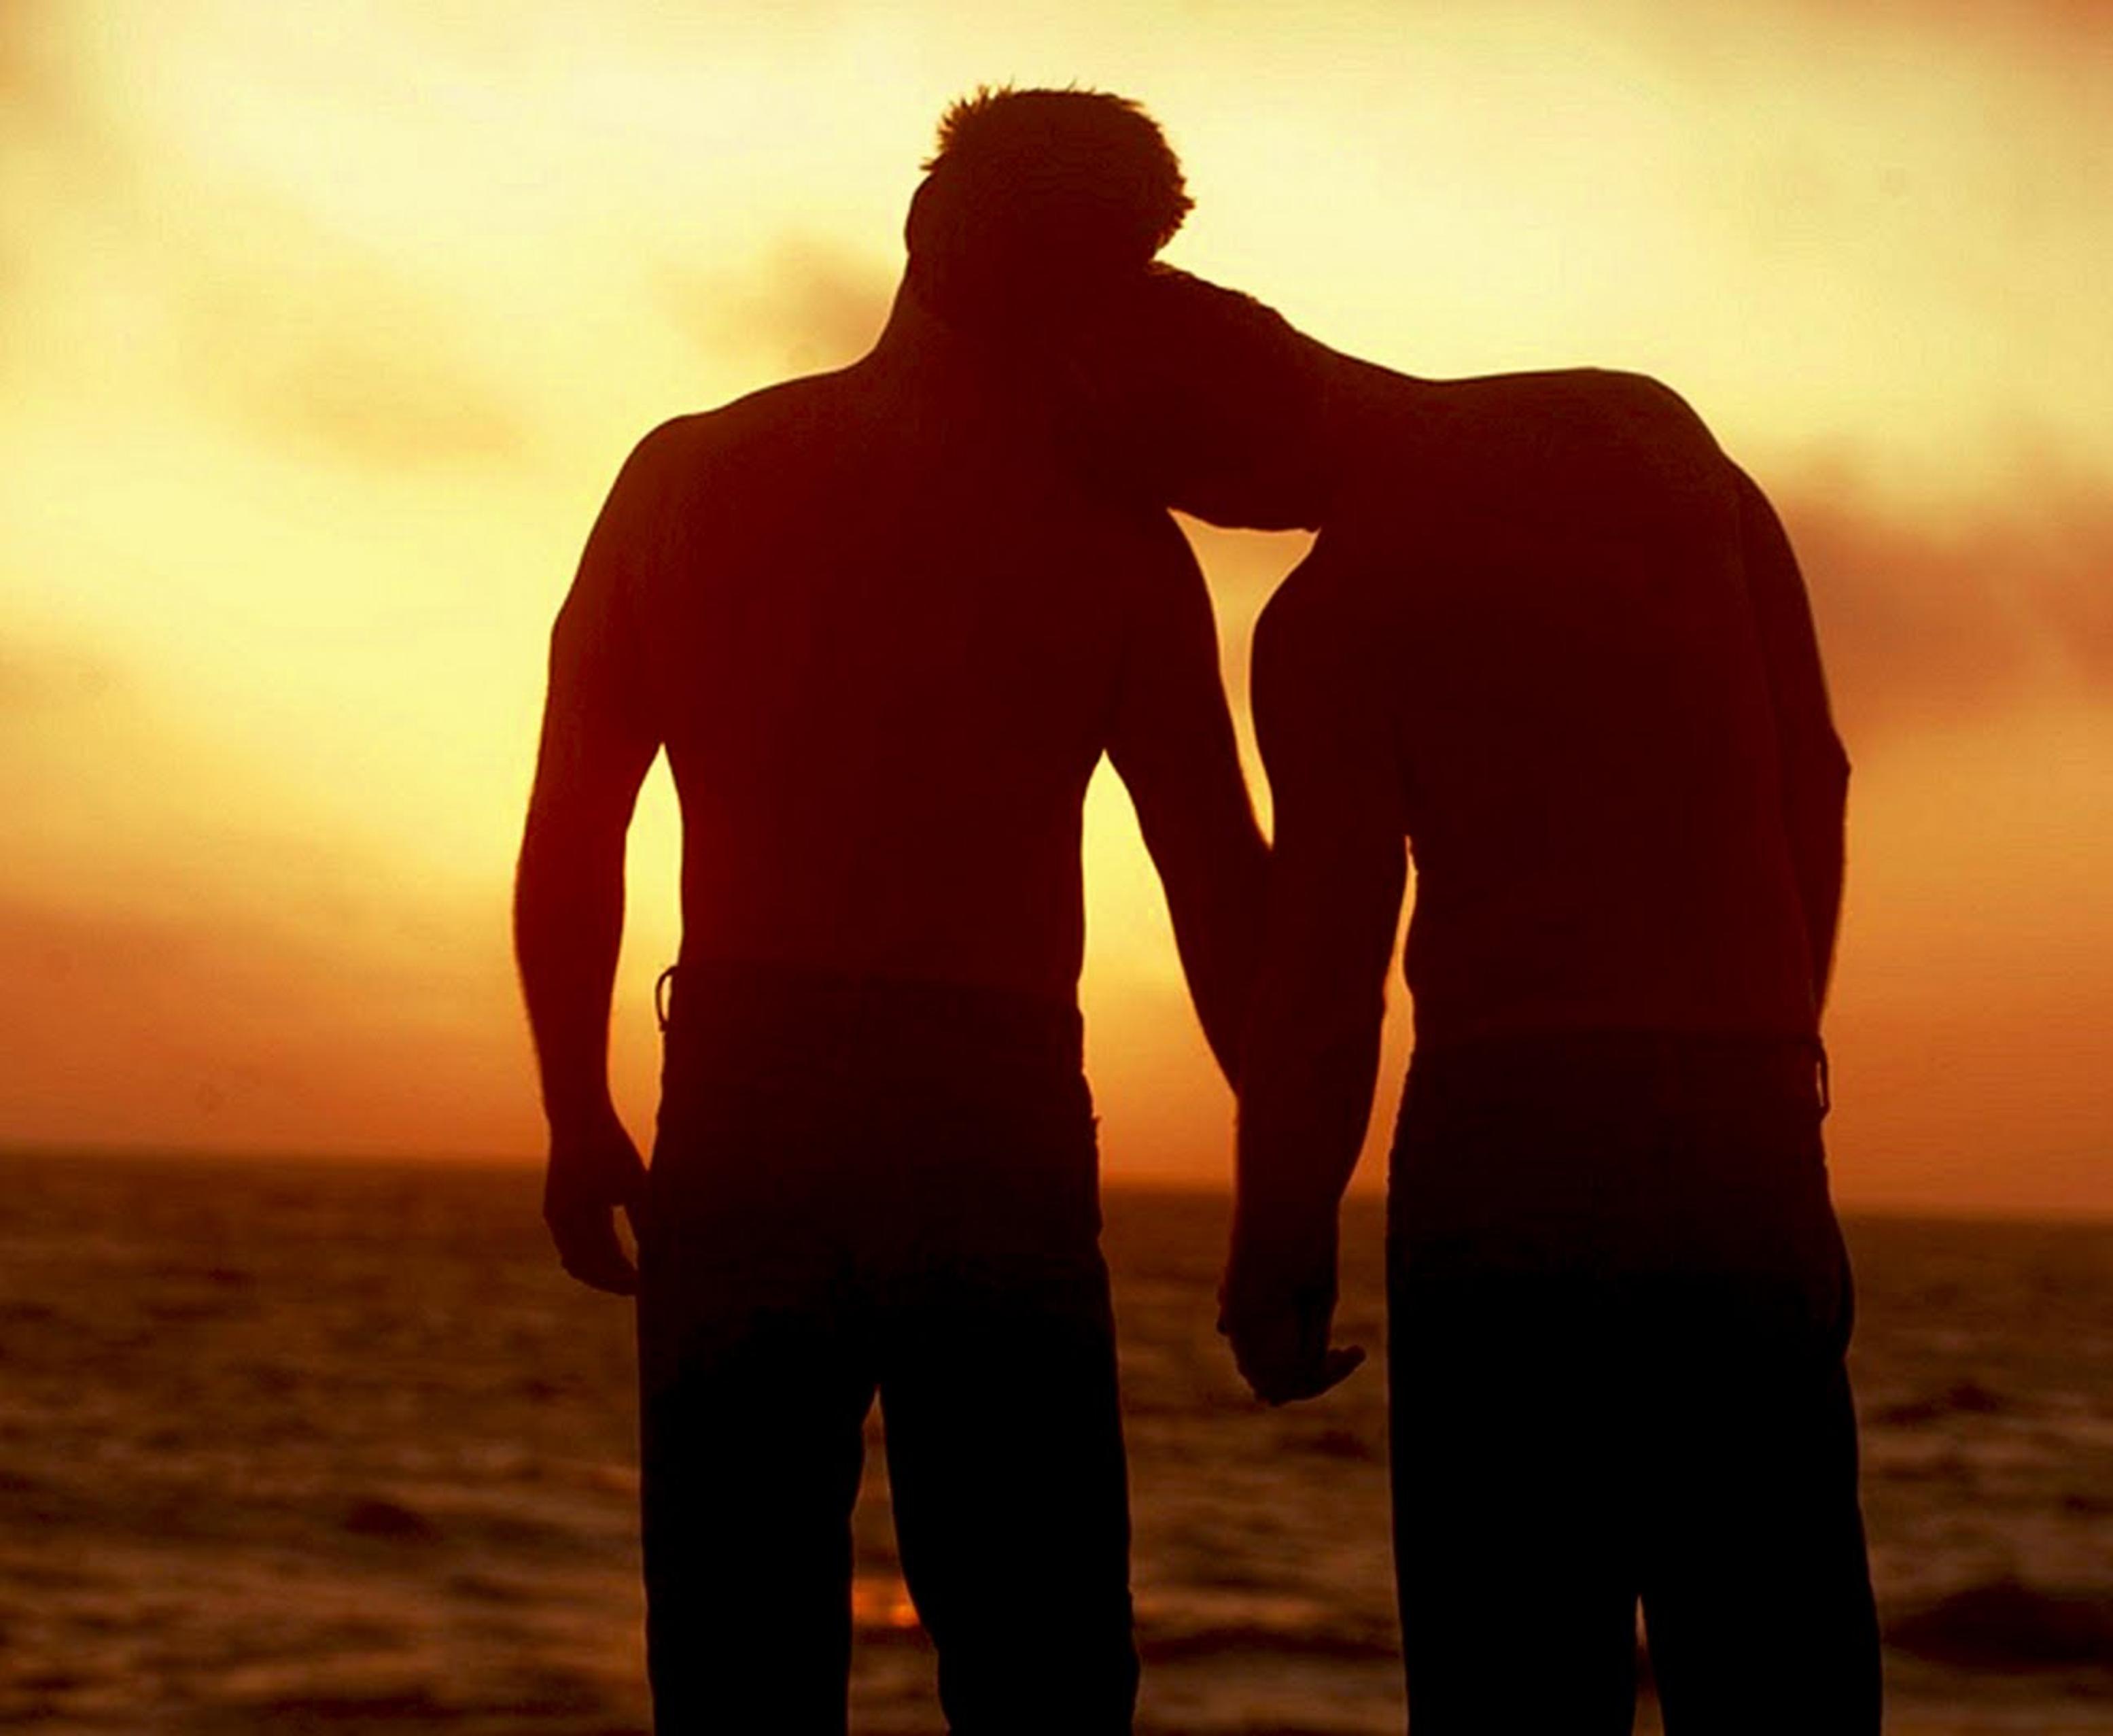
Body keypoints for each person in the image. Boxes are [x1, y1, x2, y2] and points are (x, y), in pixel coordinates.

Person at [512, 92, 1265, 1734]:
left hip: (752, 1092)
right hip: (981, 1104)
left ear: (929, 229)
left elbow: (575, 828)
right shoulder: (1114, 548)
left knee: (736, 1638)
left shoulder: (694, 473)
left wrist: (581, 1110)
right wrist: (1282, 1196)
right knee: (1041, 1644)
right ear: (1113, 288)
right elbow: (1219, 892)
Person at [1081, 268, 1881, 1730]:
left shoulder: (1333, 615)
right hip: (1741, 1126)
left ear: (1226, 453)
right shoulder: (1646, 434)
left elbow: (1329, 973)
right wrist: (1779, 1041)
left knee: (1513, 1674)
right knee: (1782, 1661)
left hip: (1508, 1159)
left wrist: (1280, 1234)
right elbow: (1811, 772)